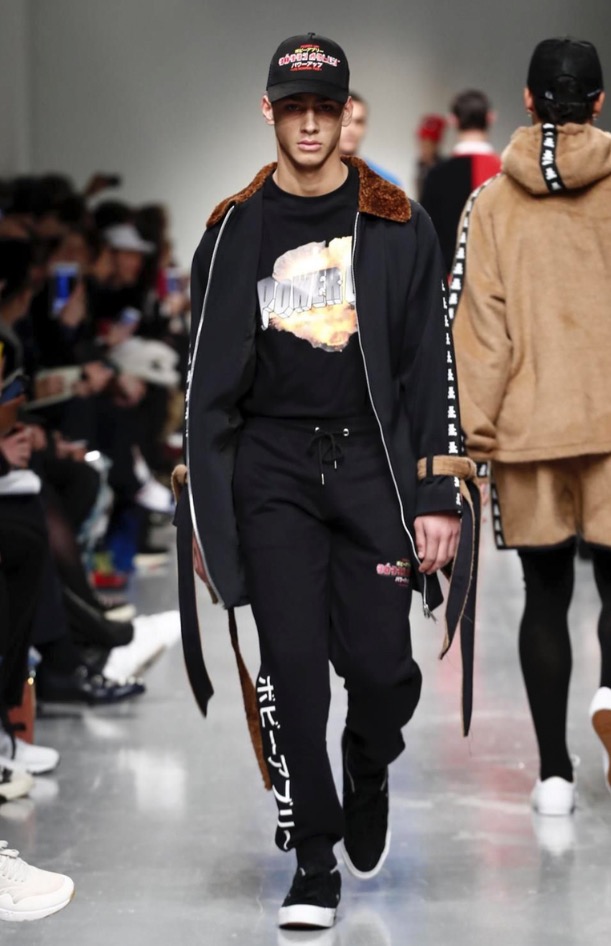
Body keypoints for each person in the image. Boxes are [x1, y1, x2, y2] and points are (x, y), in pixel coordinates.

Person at [178, 31, 478, 931]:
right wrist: (208, 516)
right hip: (270, 468)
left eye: (323, 108)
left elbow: (430, 364)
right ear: (268, 113)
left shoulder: (397, 223)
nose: (308, 125)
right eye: (293, 109)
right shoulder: (232, 230)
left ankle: (368, 760)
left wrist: (437, 493)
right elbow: (203, 387)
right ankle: (314, 860)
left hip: (371, 464)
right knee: (295, 674)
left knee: (382, 671)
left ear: (345, 114)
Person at [451, 38, 611, 817]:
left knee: (543, 597)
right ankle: (610, 698)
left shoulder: (488, 204)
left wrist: (469, 444)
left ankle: (552, 776)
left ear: (525, 100)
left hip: (527, 430)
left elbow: (475, 331)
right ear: (599, 102)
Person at [420, 89, 501, 275]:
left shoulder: (436, 176)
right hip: (497, 284)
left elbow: (426, 239)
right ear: (490, 118)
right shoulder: (505, 172)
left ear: (452, 120)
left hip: (448, 283)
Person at [339, 90, 403, 186]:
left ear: (365, 127)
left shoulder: (387, 184)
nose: (351, 129)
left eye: (359, 122)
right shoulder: (317, 179)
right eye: (345, 120)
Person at [414, 114, 447, 200]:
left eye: (428, 145)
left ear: (436, 145)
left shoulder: (443, 170)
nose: (424, 149)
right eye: (422, 144)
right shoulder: (420, 166)